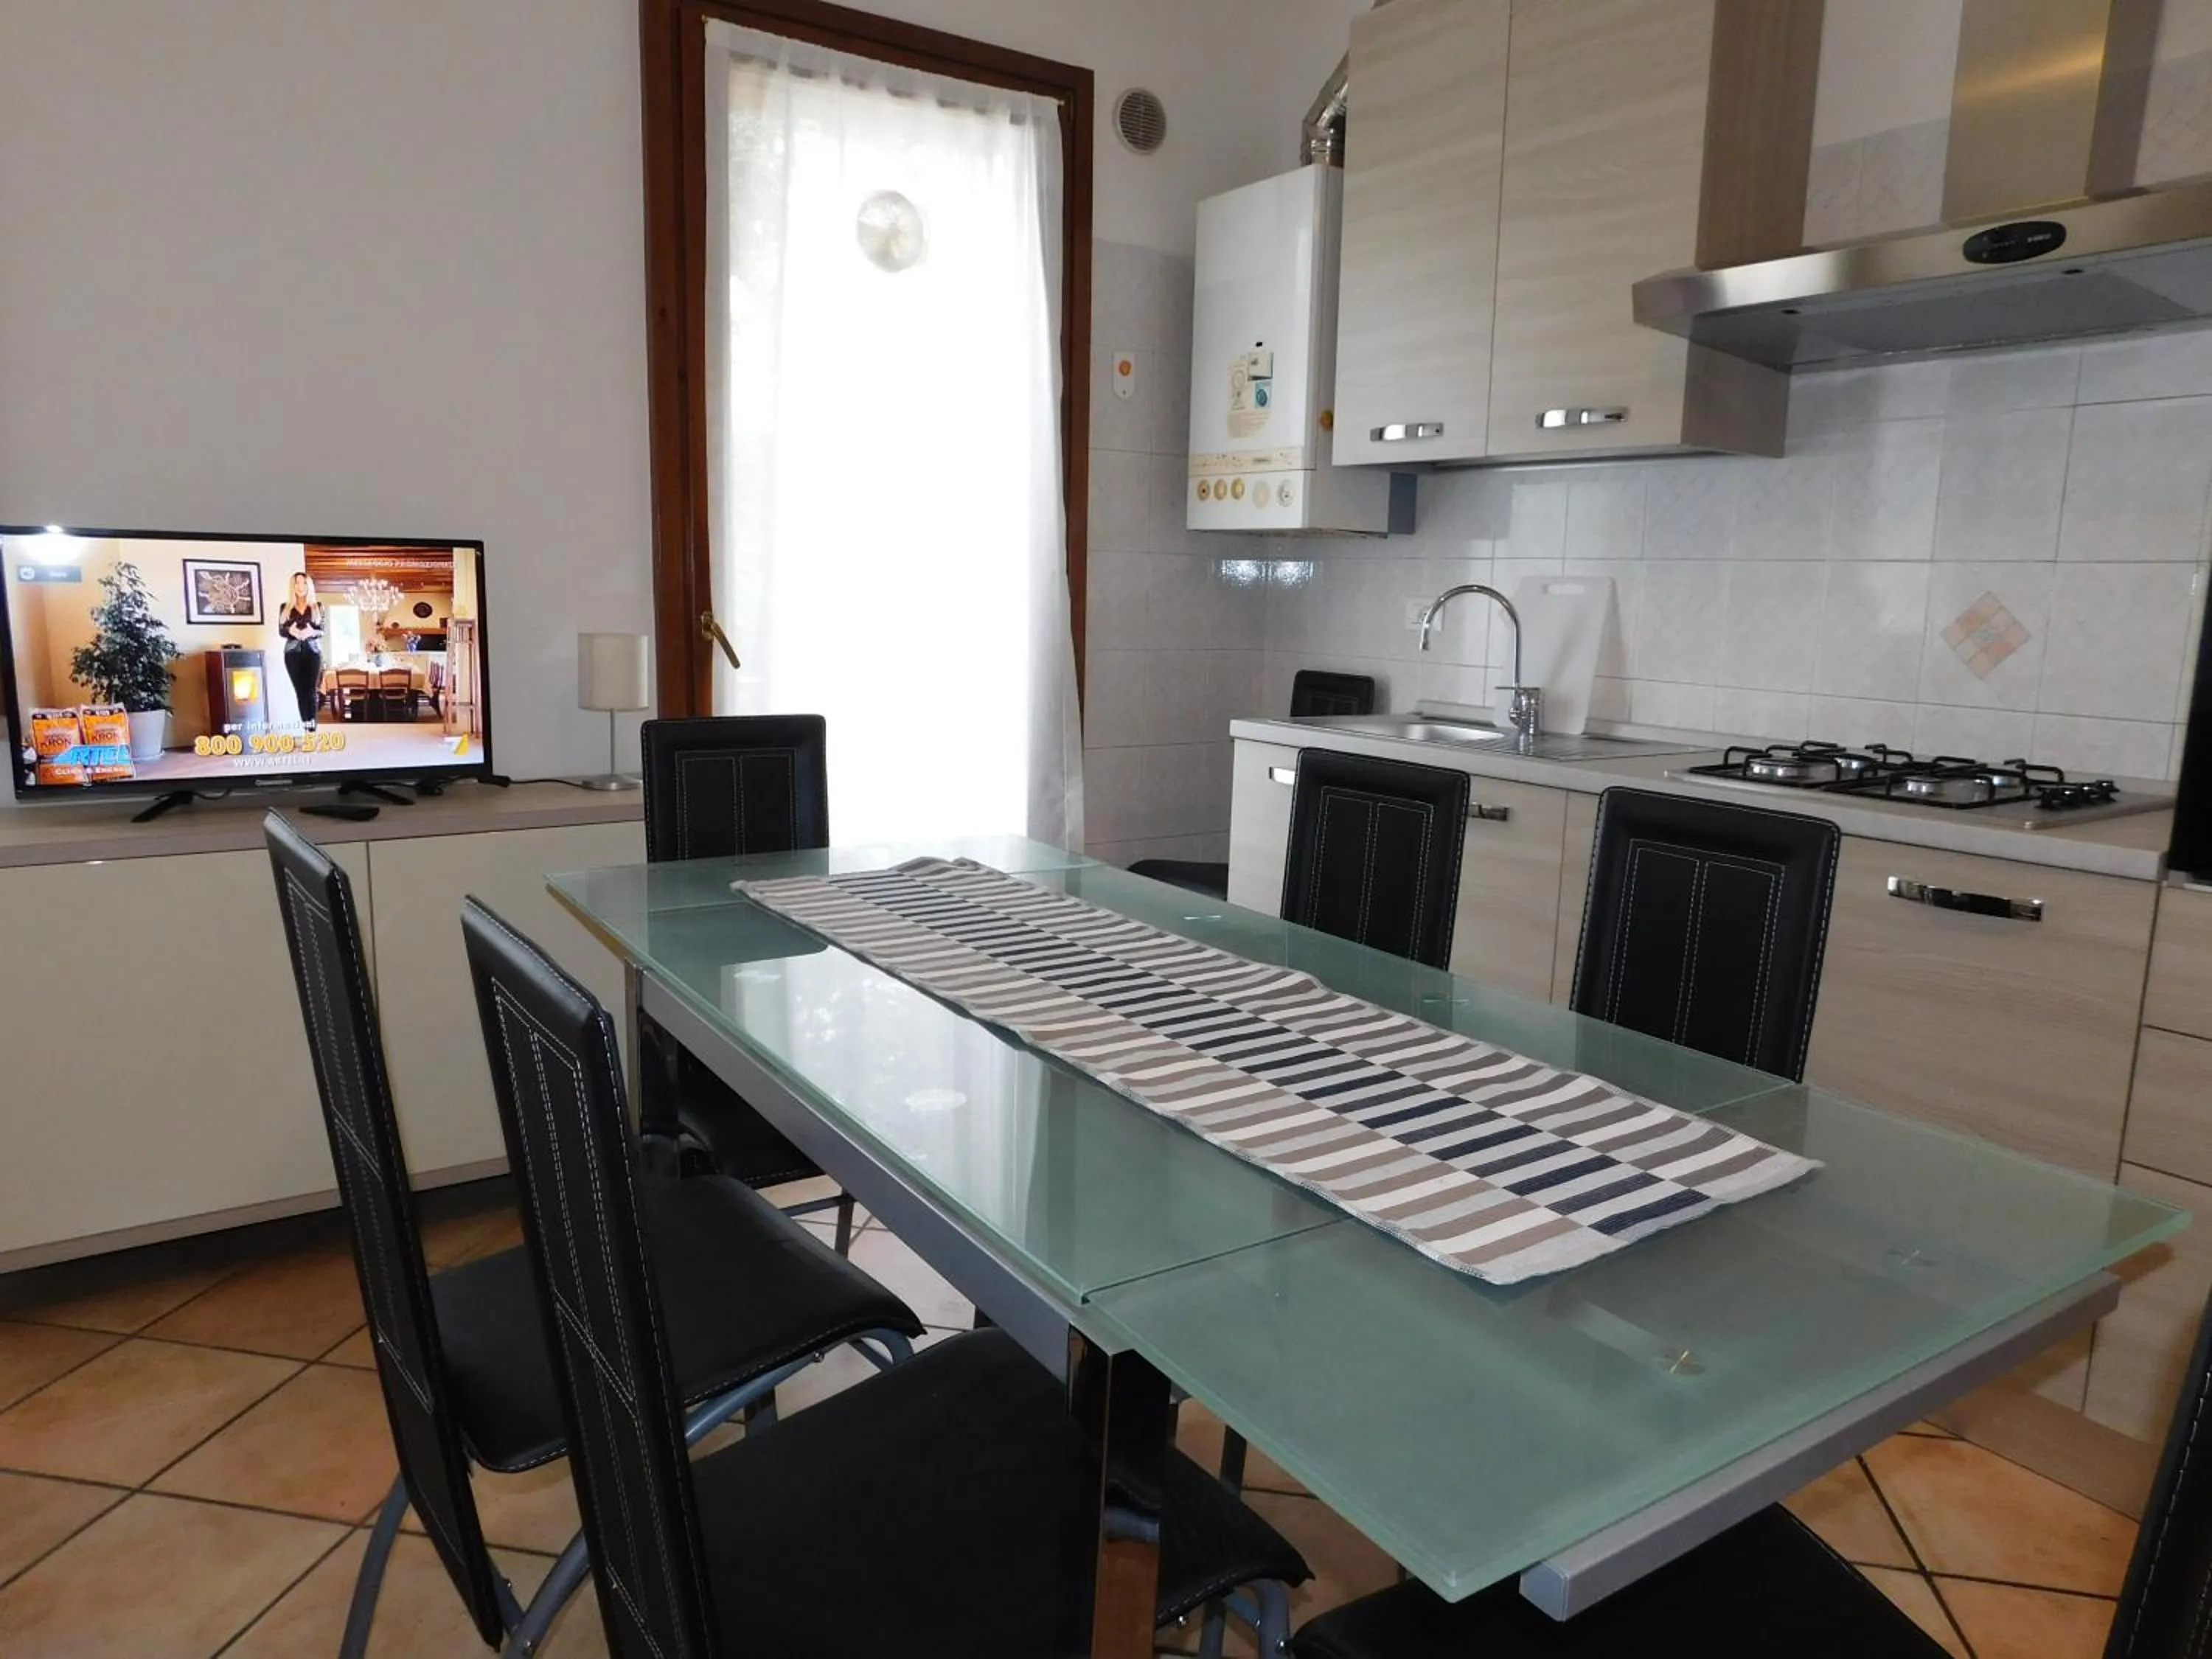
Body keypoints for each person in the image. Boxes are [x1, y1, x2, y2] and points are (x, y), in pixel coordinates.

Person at [279, 572, 324, 731]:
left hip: (313, 653)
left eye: (304, 583)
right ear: (293, 586)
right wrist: (290, 631)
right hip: (292, 653)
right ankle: (306, 728)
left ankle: (311, 731)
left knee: (311, 692)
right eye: (297, 583)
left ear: (309, 586)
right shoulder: (285, 608)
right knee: (301, 693)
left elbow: (322, 630)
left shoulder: (317, 606)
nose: (300, 587)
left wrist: (312, 632)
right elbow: (281, 631)